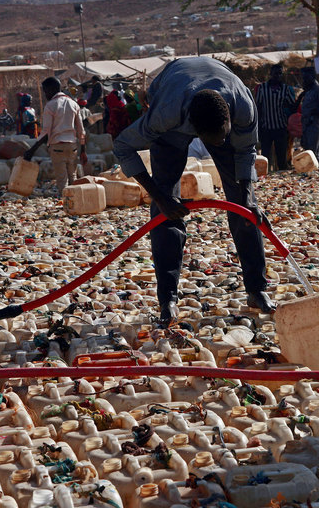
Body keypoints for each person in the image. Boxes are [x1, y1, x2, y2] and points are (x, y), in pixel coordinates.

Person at [113, 56, 275, 322]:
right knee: (165, 207)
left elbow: (245, 151)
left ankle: (257, 289)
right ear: (194, 129)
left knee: (245, 207)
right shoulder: (165, 114)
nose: (217, 145)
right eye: (212, 141)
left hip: (216, 93)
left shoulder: (243, 106)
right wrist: (160, 197)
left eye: (222, 138)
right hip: (173, 98)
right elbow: (123, 146)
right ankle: (168, 299)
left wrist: (246, 200)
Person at [23, 77, 87, 194]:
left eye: (46, 91)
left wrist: (32, 150)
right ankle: (77, 204)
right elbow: (81, 131)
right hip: (72, 147)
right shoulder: (74, 104)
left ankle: (69, 205)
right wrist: (83, 150)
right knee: (73, 177)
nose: (45, 94)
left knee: (62, 181)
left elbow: (46, 132)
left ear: (52, 89)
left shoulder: (50, 106)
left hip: (58, 147)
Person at [255, 63, 296, 171]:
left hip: (280, 127)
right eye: (275, 73)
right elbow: (258, 107)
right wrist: (258, 126)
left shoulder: (286, 89)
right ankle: (265, 176)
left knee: (281, 156)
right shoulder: (262, 88)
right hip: (266, 127)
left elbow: (292, 106)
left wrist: (300, 97)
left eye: (279, 74)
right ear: (270, 74)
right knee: (265, 156)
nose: (277, 76)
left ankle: (281, 176)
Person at [297, 66, 319, 161]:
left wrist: (312, 113)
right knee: (307, 151)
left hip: (313, 123)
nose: (303, 80)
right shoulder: (308, 91)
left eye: (305, 78)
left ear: (311, 77)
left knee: (313, 152)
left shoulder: (318, 90)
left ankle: (315, 173)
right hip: (306, 124)